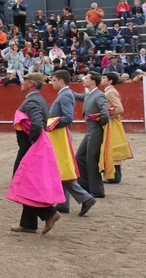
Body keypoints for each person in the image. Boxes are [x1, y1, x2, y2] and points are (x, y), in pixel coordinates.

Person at [10, 72, 61, 234]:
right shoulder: (38, 99)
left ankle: (49, 213)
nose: (21, 83)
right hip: (31, 145)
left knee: (23, 181)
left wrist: (32, 141)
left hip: (29, 147)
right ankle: (28, 223)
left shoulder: (32, 100)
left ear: (31, 83)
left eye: (24, 80)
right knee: (28, 181)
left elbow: (37, 124)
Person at [48, 70, 97, 215]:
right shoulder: (65, 94)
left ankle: (86, 198)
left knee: (61, 168)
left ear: (61, 81)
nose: (52, 83)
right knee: (61, 169)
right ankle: (63, 203)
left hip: (60, 136)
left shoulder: (65, 95)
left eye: (54, 80)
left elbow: (68, 117)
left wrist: (51, 125)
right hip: (60, 135)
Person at [72, 72, 110, 198]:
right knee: (80, 157)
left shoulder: (99, 95)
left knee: (91, 160)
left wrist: (99, 124)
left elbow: (105, 115)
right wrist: (65, 89)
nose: (84, 80)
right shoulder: (89, 95)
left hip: (95, 129)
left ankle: (97, 191)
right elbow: (77, 96)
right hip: (90, 130)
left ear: (93, 81)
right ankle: (85, 186)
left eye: (86, 78)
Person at [101, 72, 132, 183]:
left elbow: (119, 108)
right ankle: (113, 175)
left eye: (104, 78)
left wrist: (105, 116)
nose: (102, 79)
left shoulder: (110, 92)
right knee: (111, 147)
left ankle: (115, 176)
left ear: (110, 81)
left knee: (112, 147)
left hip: (112, 122)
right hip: (111, 121)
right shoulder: (109, 91)